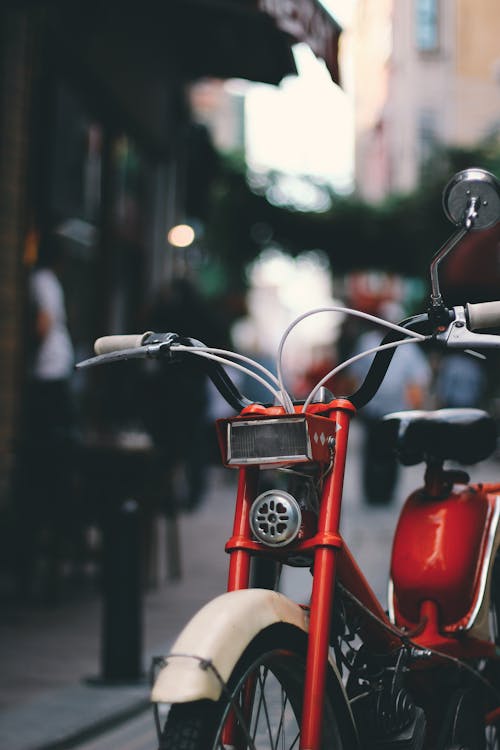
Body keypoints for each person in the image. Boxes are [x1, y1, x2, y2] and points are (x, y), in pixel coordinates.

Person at [14, 232, 76, 601]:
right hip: (50, 373)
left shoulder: (41, 281)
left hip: (47, 373)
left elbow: (43, 322)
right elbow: (46, 321)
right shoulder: (45, 280)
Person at [349, 303, 431, 504]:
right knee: (371, 452)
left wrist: (416, 405)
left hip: (396, 410)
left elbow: (419, 377)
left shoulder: (408, 347)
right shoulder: (367, 342)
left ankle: (386, 493)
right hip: (372, 409)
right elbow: (354, 373)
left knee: (393, 452)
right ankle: (371, 493)